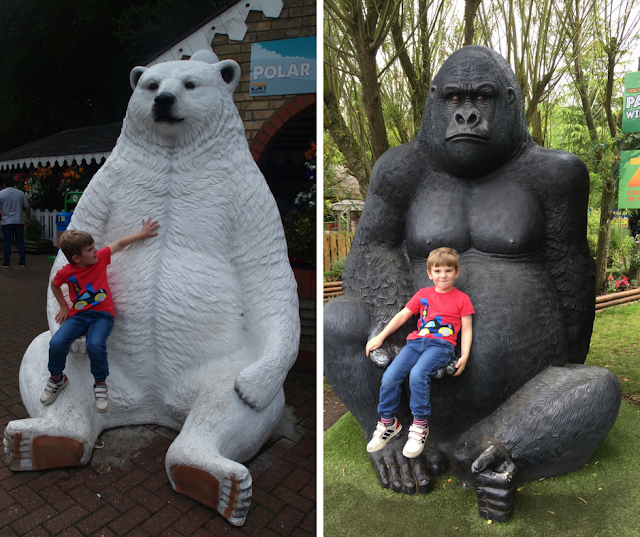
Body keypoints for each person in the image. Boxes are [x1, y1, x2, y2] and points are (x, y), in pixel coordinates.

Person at [364, 247, 474, 458]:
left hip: (441, 346)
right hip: (415, 343)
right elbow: (402, 316)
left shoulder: (462, 299)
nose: (443, 275)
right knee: (390, 376)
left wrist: (465, 355)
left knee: (418, 375)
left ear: (457, 272)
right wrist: (380, 336)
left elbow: (467, 329)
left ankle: (420, 426)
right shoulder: (423, 295)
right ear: (430, 274)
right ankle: (388, 422)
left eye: (448, 270)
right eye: (438, 271)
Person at [42, 218, 160, 412]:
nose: (95, 250)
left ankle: (100, 385)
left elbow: (120, 244)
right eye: (89, 249)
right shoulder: (67, 272)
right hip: (78, 316)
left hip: (102, 316)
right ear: (76, 259)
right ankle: (57, 378)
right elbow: (55, 284)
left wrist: (143, 233)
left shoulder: (100, 259)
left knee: (95, 344)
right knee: (56, 343)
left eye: (93, 246)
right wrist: (63, 306)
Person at [0, 175, 30, 268]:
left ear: (4, 184)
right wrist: (28, 218)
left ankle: (6, 261)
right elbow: (27, 206)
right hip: (19, 220)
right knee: (20, 241)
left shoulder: (1, 193)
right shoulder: (20, 193)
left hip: (6, 221)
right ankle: (22, 260)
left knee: (7, 242)